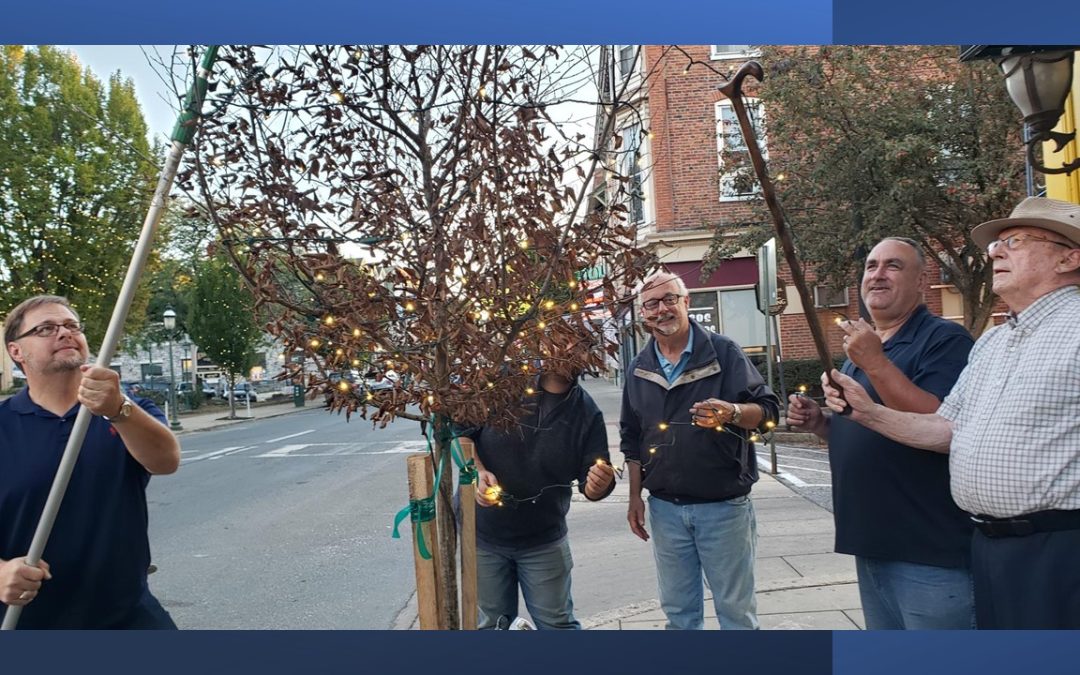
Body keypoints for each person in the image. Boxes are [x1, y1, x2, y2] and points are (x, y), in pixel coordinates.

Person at [824, 197, 1080, 629]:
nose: (997, 252)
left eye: (1015, 241)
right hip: (990, 547)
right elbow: (947, 427)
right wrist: (866, 413)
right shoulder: (995, 343)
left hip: (1059, 548)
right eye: (997, 244)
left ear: (1069, 258)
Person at [787, 237, 975, 629]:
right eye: (871, 266)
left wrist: (875, 362)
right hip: (872, 542)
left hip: (927, 548)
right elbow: (865, 424)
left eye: (893, 266)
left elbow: (942, 422)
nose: (878, 275)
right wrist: (821, 422)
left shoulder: (944, 340)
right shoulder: (863, 347)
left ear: (922, 280)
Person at [0, 295, 181, 629]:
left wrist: (117, 409)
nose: (65, 333)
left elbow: (166, 461)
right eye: (45, 329)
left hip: (127, 616)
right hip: (27, 621)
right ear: (16, 352)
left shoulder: (128, 409)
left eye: (72, 326)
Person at [620, 271, 780, 630]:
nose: (662, 310)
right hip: (665, 510)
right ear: (643, 314)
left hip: (723, 508)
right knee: (679, 616)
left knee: (736, 613)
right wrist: (635, 497)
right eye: (652, 304)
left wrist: (733, 412)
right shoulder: (638, 369)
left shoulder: (723, 353)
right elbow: (632, 438)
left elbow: (769, 411)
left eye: (669, 299)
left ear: (686, 302)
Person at [458, 367, 615, 630]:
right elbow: (461, 432)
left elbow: (592, 483)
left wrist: (600, 484)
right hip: (484, 535)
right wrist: (477, 472)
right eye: (560, 340)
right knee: (491, 627)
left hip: (543, 539)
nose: (567, 350)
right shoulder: (504, 383)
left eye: (577, 344)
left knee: (557, 626)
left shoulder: (586, 411)